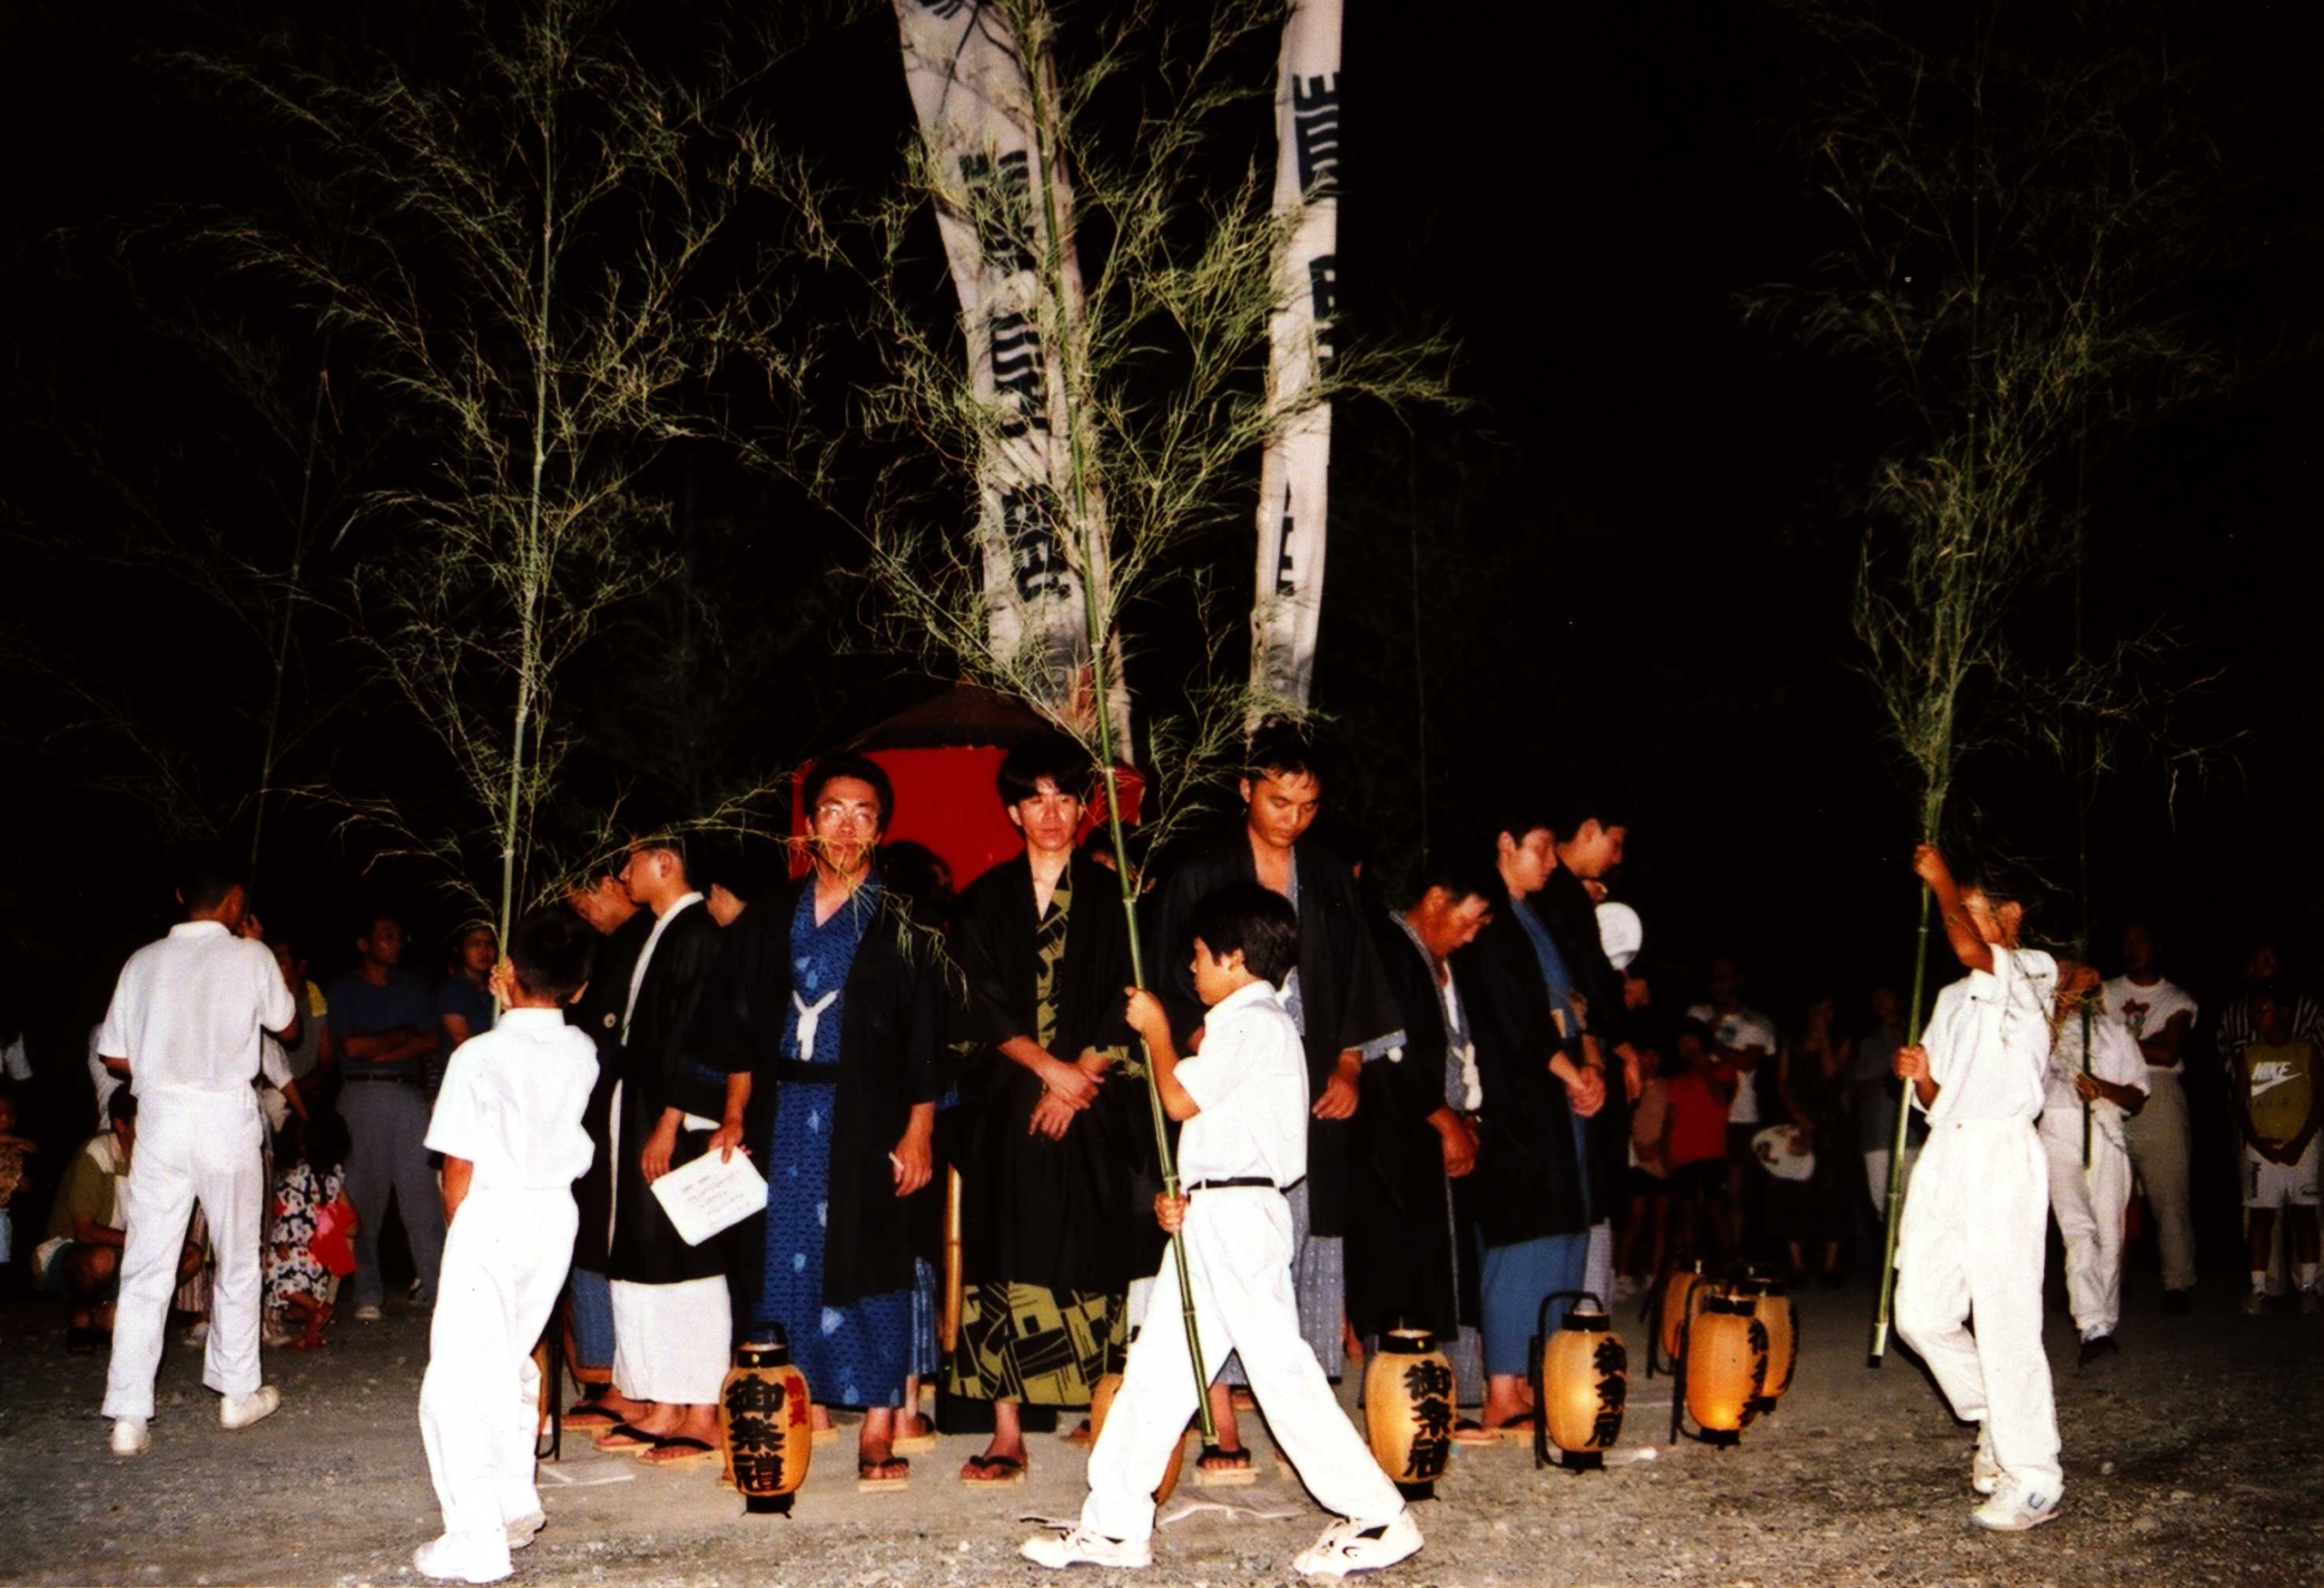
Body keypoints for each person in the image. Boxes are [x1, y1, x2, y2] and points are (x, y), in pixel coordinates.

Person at [1021, 883, 1423, 1577]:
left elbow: (1178, 1098)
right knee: (1159, 1371)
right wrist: (1188, 1199)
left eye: (1202, 956)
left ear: (1236, 959)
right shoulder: (1250, 1024)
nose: (1193, 969)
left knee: (1280, 1370)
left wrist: (1155, 1033)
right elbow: (1215, 1126)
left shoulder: (1253, 1022)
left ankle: (1379, 1514)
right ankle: (1114, 1522)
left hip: (1239, 1217)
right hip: (1217, 1210)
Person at [1146, 724, 1402, 1475]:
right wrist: (1196, 1037)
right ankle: (1224, 1422)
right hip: (1225, 1065)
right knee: (1221, 1239)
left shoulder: (1325, 874)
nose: (1292, 817)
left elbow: (1357, 974)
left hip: (1305, 1072)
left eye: (1308, 804)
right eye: (1279, 799)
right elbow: (1173, 964)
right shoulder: (1200, 866)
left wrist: (1350, 1064)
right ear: (1246, 789)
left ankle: (1305, 1406)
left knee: (1304, 1230)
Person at [700, 755, 942, 1490]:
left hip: (867, 1116)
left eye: (864, 813)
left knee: (872, 1263)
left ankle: (876, 1429)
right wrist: (734, 1114)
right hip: (783, 1115)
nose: (846, 826)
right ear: (808, 826)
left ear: (881, 827)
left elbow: (927, 1032)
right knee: (776, 1265)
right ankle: (778, 1420)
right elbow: (743, 1025)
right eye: (832, 810)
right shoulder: (770, 915)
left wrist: (920, 1128)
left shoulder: (907, 920)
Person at [947, 737, 1137, 1485]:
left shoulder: (1117, 895)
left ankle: (1104, 1407)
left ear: (1086, 808)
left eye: (1065, 797)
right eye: (1035, 798)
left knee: (1096, 1243)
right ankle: (1007, 1430)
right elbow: (975, 999)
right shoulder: (983, 899)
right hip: (1014, 1094)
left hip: (1096, 1097)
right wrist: (1048, 1071)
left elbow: (1134, 992)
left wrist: (1083, 1073)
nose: (1051, 813)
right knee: (1004, 1251)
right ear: (1012, 810)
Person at [411, 906, 601, 1583]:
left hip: (492, 1215)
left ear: (504, 973)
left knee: (460, 1375)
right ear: (580, 989)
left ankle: (476, 1536)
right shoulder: (583, 1049)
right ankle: (513, 1498)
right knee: (512, 1360)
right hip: (554, 1217)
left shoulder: (477, 1054)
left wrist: (459, 1238)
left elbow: (456, 1167)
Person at [95, 852, 300, 1456]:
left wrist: (165, 1065)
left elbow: (115, 1056)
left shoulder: (142, 960)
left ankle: (128, 1414)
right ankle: (237, 1392)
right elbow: (288, 1028)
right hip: (225, 1117)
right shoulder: (252, 954)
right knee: (237, 1255)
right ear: (236, 900)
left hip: (161, 1116)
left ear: (183, 896)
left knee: (147, 1261)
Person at [1889, 844, 2063, 1532]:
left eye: (1973, 905)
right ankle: (1995, 1409)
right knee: (1919, 1312)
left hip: (2000, 1152)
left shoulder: (2030, 970)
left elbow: (1969, 949)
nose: (1961, 917)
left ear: (2011, 915)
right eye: (1959, 907)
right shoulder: (1950, 997)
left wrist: (1939, 883)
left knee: (2005, 1314)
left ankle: (2035, 1476)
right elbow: (1938, 1096)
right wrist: (1922, 1073)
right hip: (1949, 1151)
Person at [591, 835, 734, 1467]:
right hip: (643, 1103)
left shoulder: (698, 931)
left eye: (631, 861)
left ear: (665, 862)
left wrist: (672, 1119)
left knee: (686, 1253)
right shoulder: (660, 929)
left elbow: (699, 1035)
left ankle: (702, 1408)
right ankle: (661, 1399)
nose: (623, 875)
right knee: (643, 1252)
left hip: (673, 1113)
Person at [1456, 814, 1597, 1438]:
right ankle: (1504, 1388)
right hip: (1517, 1095)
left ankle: (1542, 1373)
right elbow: (1512, 1017)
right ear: (1504, 843)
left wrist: (1584, 1064)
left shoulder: (1530, 916)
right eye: (1540, 848)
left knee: (1564, 1222)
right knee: (1525, 1231)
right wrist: (1570, 1069)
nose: (1550, 861)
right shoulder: (1491, 922)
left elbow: (1568, 1003)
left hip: (1552, 1090)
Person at [1349, 853, 1492, 1411]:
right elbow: (1385, 1050)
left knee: (1444, 1265)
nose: (1473, 934)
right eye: (1471, 918)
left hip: (1440, 1128)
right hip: (1395, 1135)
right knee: (1401, 1270)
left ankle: (1445, 1396)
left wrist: (1468, 1118)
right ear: (1436, 899)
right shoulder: (1388, 946)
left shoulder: (1442, 961)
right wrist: (1442, 1118)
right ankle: (1401, 1406)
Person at [1536, 798, 1640, 1307]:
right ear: (1590, 828)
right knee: (1585, 1183)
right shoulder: (1552, 894)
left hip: (1588, 1050)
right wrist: (1609, 1044)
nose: (1616, 858)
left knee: (1598, 1184)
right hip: (1566, 1056)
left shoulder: (1570, 895)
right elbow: (1577, 988)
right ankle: (1580, 1312)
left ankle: (1588, 1307)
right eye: (1614, 843)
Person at [557, 867, 649, 1430]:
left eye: (586, 899)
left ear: (616, 883)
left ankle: (622, 1380)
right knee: (589, 1241)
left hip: (616, 1110)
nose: (584, 912)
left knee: (605, 1242)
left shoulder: (643, 942)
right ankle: (602, 1376)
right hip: (592, 1112)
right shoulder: (609, 946)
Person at [320, 911, 445, 1321]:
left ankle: (438, 1289)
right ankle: (367, 1293)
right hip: (359, 1093)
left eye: (398, 935)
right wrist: (400, 1036)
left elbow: (430, 1038)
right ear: (364, 944)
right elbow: (352, 1048)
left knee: (422, 1198)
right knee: (362, 1197)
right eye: (386, 935)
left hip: (406, 1095)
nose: (396, 942)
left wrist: (386, 1047)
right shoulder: (344, 989)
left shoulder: (414, 986)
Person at [2038, 965, 2147, 1365]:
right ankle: (2092, 1327)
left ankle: (2108, 1316)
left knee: (2109, 1232)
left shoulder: (2116, 1032)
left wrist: (2102, 1089)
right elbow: (2031, 1068)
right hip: (2056, 1128)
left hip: (2105, 1127)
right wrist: (2062, 1003)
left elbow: (2137, 1095)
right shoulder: (2046, 1030)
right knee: (2077, 1230)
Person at [2102, 921, 2200, 1312]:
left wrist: (2123, 1047)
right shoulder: (2106, 992)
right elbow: (2096, 1045)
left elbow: (2169, 1053)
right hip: (2111, 1093)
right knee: (2110, 1197)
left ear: (2156, 946)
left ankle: (2177, 1282)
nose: (2133, 947)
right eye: (2126, 941)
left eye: (2140, 940)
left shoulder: (2176, 997)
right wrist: (2146, 1044)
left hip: (2159, 1095)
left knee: (2168, 1193)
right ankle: (2109, 1282)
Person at [36, 1091, 162, 1349]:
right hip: (70, 1252)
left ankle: (106, 1314)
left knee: (190, 1256)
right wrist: (139, 1241)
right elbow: (84, 1231)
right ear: (120, 1124)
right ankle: (80, 1315)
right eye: (144, 1119)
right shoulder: (98, 1151)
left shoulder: (155, 1158)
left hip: (124, 1254)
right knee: (101, 1259)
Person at [2233, 984, 2319, 1315]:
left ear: (2283, 1013)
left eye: (2265, 1009)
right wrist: (2259, 1144)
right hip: (2262, 1148)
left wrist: (2300, 1142)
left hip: (2303, 1146)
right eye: (2254, 1011)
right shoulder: (2250, 1054)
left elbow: (2319, 1102)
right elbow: (2239, 1104)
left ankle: (2308, 1288)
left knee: (2305, 1217)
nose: (2257, 1016)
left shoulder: (2307, 1051)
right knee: (2260, 1219)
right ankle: (2259, 1290)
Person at [1688, 959, 1777, 1259]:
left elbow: (1748, 1063)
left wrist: (1709, 1043)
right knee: (1702, 1191)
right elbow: (1687, 1051)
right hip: (1701, 1112)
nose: (1720, 984)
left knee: (1737, 1191)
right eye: (1716, 978)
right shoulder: (1697, 1014)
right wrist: (1710, 1029)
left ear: (1739, 980)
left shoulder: (1758, 1023)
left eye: (1726, 977)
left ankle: (1735, 1254)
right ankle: (1700, 1254)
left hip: (1741, 1115)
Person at [1772, 993, 1850, 1286]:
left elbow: (1832, 1072)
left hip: (1830, 1124)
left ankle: (1830, 1266)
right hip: (1796, 1121)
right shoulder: (1791, 1040)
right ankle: (1797, 1265)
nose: (1823, 1015)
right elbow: (1781, 1081)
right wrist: (1797, 1117)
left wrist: (1825, 1040)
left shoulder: (1842, 1040)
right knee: (1794, 1190)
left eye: (1828, 1011)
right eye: (1820, 1009)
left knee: (1832, 1192)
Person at [263, 1110, 355, 1350]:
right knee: (308, 1287)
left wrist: (283, 1239)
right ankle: (311, 1334)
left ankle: (318, 1308)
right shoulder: (335, 1174)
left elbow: (289, 1209)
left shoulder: (298, 1174)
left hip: (297, 1247)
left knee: (280, 1285)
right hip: (320, 1248)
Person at [1661, 1020, 1735, 1264]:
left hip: (1712, 1150)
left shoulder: (1724, 1070)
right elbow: (1670, 1120)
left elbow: (1723, 1099)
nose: (1685, 1045)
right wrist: (1665, 1151)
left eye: (1689, 1039)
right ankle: (1691, 1262)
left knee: (1717, 1209)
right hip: (1683, 1153)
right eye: (1681, 1042)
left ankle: (1727, 1260)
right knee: (1686, 1211)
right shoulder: (1676, 1078)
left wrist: (1703, 1067)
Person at [1853, 986, 1925, 1220]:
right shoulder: (1868, 1042)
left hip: (1911, 1136)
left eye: (1886, 995)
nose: (1880, 1001)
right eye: (1877, 997)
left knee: (1914, 1207)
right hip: (1877, 1138)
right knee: (1885, 1209)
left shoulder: (1917, 1034)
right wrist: (1889, 1079)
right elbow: (1856, 1088)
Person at [1618, 1037, 1670, 1285]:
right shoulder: (1629, 1084)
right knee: (1635, 1220)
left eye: (1654, 1056)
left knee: (1661, 1220)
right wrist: (1638, 1147)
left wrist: (1661, 1148)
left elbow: (1671, 1121)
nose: (1650, 1061)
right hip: (1637, 1159)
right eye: (1645, 1056)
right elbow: (1626, 1121)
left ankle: (1654, 1274)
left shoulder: (1667, 1086)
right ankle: (1622, 1273)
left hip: (1662, 1158)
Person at [438, 924, 498, 1053]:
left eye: (489, 943)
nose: (484, 950)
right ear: (459, 949)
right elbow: (463, 1041)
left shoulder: (497, 987)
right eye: (475, 943)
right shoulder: (453, 991)